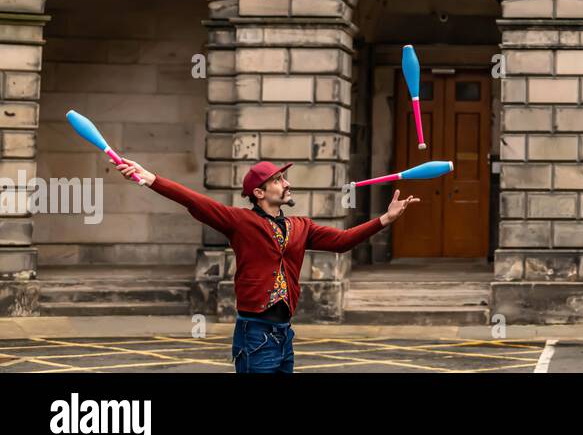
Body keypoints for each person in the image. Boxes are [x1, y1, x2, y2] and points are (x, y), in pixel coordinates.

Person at [115, 158, 418, 373]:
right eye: (277, 180)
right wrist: (150, 178)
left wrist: (385, 219)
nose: (286, 184)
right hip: (255, 333)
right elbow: (193, 201)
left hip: (284, 332)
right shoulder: (240, 222)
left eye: (284, 178)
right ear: (259, 193)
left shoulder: (301, 226)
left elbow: (342, 241)